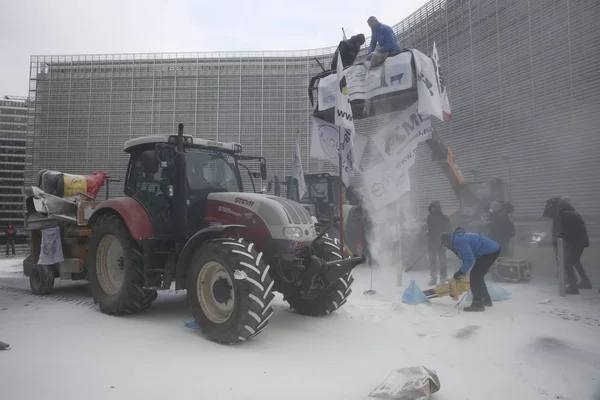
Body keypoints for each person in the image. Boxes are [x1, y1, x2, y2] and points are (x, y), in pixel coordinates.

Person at [441, 230, 501, 312]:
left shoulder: (459, 241)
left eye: (444, 243)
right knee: (477, 275)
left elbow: (469, 259)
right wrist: (462, 271)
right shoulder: (456, 239)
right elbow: (466, 256)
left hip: (490, 252)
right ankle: (486, 300)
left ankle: (478, 304)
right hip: (491, 250)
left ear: (447, 240)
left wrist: (461, 272)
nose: (444, 246)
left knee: (475, 276)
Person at [543, 197, 591, 294]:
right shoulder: (570, 213)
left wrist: (561, 236)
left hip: (576, 242)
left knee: (568, 262)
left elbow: (568, 231)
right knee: (575, 261)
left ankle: (573, 287)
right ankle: (586, 282)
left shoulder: (565, 214)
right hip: (579, 242)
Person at [426, 201, 452, 286]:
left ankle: (443, 279)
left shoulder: (444, 218)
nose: (433, 209)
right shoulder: (429, 217)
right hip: (431, 243)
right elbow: (429, 230)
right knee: (432, 262)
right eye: (432, 208)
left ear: (438, 208)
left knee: (442, 262)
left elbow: (449, 230)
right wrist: (427, 233)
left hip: (441, 243)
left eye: (434, 207)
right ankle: (433, 278)